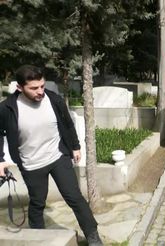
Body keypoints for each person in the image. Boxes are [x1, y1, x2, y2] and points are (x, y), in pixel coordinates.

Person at [0, 65, 103, 245]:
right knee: (37, 203)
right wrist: (0, 160)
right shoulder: (7, 108)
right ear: (19, 88)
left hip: (58, 157)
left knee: (75, 197)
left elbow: (67, 123)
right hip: (31, 164)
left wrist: (75, 146)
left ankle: (93, 236)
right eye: (34, 88)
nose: (40, 91)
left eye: (42, 85)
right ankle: (39, 239)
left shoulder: (53, 99)